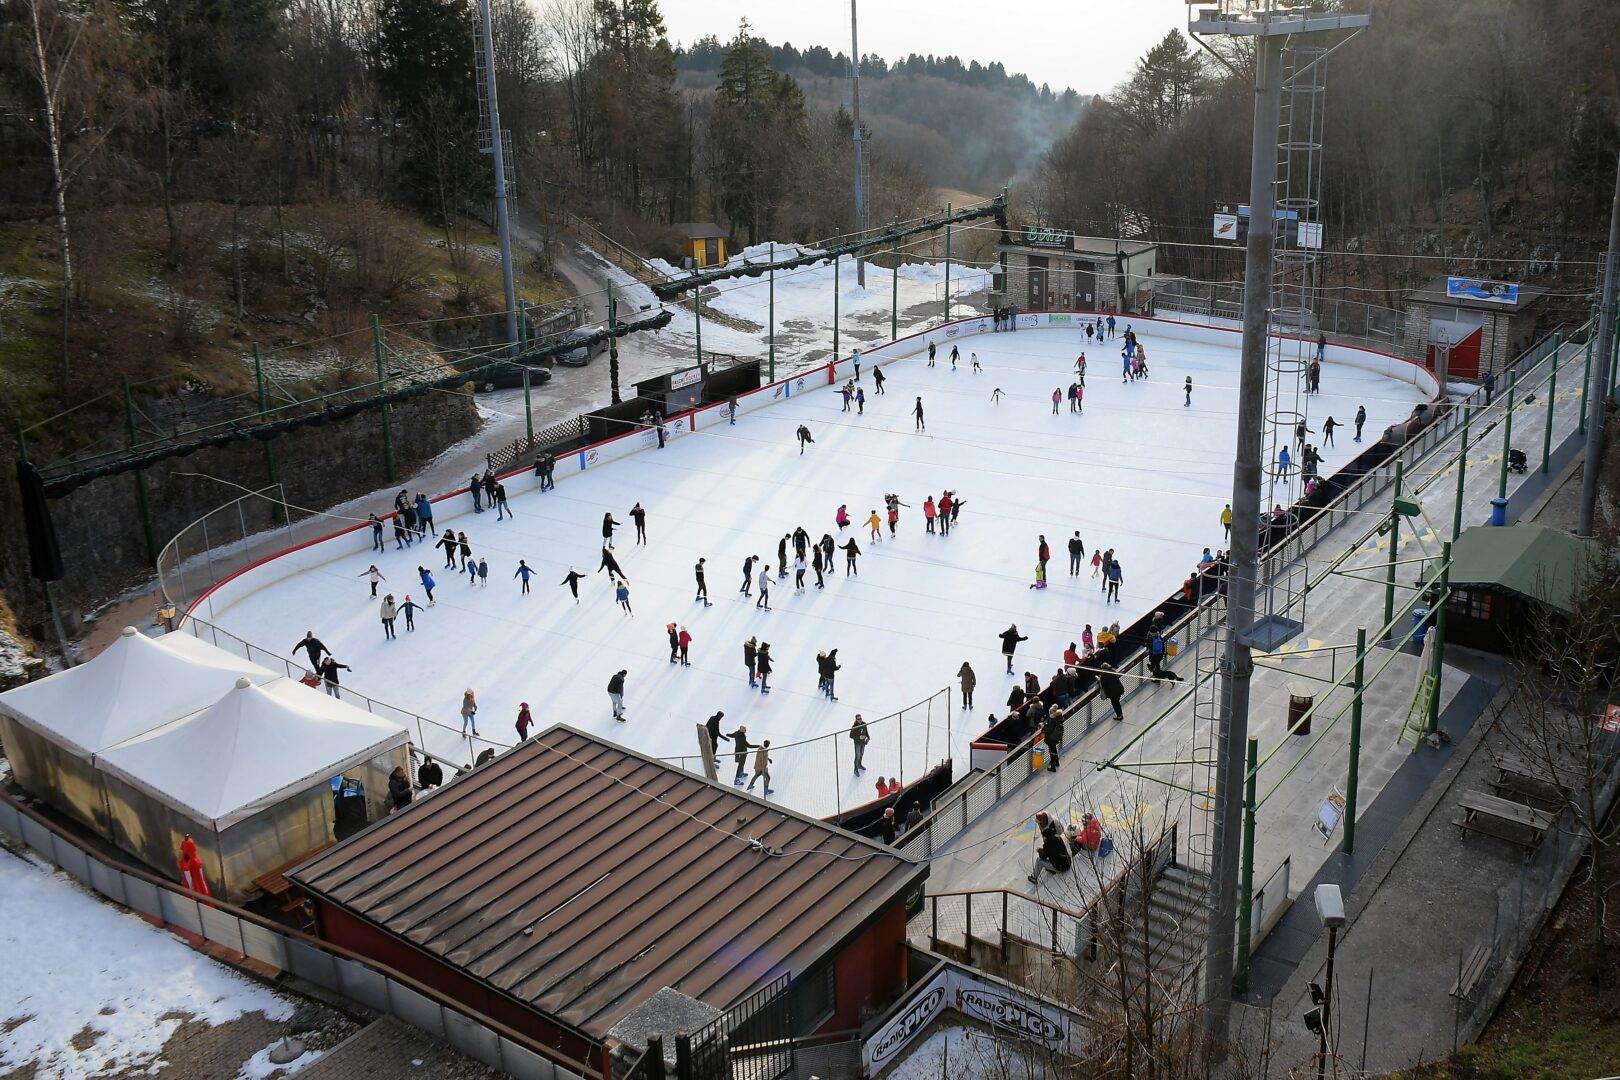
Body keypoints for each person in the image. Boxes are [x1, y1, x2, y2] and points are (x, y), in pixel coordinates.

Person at [1028, 811, 1072, 884]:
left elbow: (1044, 857)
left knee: (1039, 861)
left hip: (1061, 867)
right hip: (1067, 863)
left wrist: (1040, 851)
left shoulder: (1048, 844)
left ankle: (1034, 877)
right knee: (1054, 854)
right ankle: (1050, 868)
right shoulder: (1058, 838)